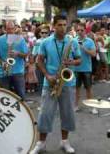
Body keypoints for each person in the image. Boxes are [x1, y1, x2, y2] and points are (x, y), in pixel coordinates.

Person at [30, 15, 81, 154]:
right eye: (60, 25)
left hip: (68, 83)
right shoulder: (45, 42)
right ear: (54, 26)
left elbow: (79, 60)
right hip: (50, 82)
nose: (63, 27)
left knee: (67, 113)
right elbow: (39, 60)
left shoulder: (72, 42)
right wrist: (47, 75)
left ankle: (64, 142)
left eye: (65, 25)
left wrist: (72, 62)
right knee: (45, 113)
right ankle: (41, 143)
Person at [0, 21, 28, 99]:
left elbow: (26, 54)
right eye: (8, 29)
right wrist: (2, 63)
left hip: (17, 71)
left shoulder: (20, 39)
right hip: (3, 72)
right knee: (4, 97)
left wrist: (17, 53)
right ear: (5, 29)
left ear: (15, 29)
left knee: (21, 96)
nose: (10, 31)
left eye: (12, 29)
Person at [74, 23, 97, 113]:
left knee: (88, 89)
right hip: (76, 68)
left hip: (86, 68)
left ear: (85, 31)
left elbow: (94, 54)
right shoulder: (74, 40)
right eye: (78, 30)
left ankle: (92, 106)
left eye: (81, 30)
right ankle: (75, 105)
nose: (79, 32)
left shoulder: (89, 41)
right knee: (76, 89)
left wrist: (84, 48)